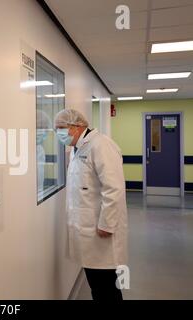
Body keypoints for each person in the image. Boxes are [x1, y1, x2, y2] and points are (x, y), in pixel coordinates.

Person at [54, 109, 128, 301]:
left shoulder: (101, 145)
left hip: (101, 230)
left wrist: (107, 223)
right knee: (97, 285)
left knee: (106, 288)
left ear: (77, 126)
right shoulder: (77, 149)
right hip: (86, 231)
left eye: (61, 128)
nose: (58, 133)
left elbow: (114, 189)